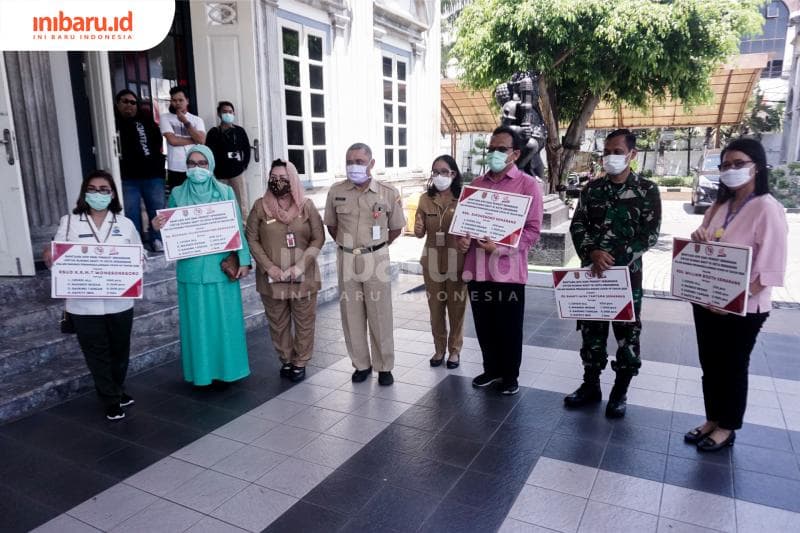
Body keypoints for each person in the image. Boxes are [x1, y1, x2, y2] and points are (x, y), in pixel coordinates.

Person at [683, 138, 787, 452]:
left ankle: (727, 427)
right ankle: (712, 418)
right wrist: (698, 237)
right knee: (710, 364)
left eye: (738, 163)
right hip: (707, 302)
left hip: (744, 310)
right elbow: (705, 246)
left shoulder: (768, 209)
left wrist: (732, 303)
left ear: (757, 167)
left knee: (732, 366)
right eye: (725, 165)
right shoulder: (720, 205)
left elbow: (769, 270)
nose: (730, 170)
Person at [565, 128, 662, 418]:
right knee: (592, 334)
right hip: (593, 277)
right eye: (607, 152)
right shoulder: (591, 190)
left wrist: (614, 259)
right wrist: (592, 253)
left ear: (632, 155)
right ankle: (590, 386)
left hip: (626, 279)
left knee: (627, 336)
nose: (610, 157)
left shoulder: (647, 190)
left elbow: (650, 235)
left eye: (617, 152)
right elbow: (577, 225)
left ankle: (620, 393)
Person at [43, 171, 141, 420]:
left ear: (112, 194)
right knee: (96, 352)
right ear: (85, 192)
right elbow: (57, 260)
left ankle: (117, 388)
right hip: (83, 304)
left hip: (119, 301)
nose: (98, 194)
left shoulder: (125, 224)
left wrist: (135, 263)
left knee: (120, 351)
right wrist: (49, 257)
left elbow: (140, 256)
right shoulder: (69, 222)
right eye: (93, 189)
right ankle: (110, 398)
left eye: (104, 189)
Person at [152, 145, 252, 386]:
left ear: (211, 165)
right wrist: (159, 226)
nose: (197, 168)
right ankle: (202, 374)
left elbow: (237, 226)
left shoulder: (225, 191)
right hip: (191, 271)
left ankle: (230, 371)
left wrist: (245, 260)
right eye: (192, 163)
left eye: (202, 163)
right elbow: (172, 229)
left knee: (225, 323)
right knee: (197, 325)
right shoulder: (177, 192)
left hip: (221, 268)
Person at [456, 126, 544, 395]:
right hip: (478, 270)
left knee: (508, 327)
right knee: (484, 324)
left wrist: (501, 249)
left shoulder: (528, 186)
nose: (494, 153)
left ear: (515, 154)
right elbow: (465, 226)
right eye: (491, 148)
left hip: (508, 271)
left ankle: (510, 375)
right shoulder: (475, 186)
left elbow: (532, 231)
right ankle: (491, 369)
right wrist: (462, 240)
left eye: (501, 149)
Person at [324, 142, 406, 386]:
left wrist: (376, 248)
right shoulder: (336, 191)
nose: (353, 166)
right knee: (351, 314)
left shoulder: (388, 193)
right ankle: (361, 365)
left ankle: (384, 366)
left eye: (359, 162)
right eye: (350, 161)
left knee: (380, 313)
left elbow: (396, 228)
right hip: (347, 257)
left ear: (371, 164)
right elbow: (331, 225)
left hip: (375, 257)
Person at [246, 159, 324, 382]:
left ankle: (301, 361)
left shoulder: (306, 206)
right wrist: (268, 267)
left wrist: (300, 266)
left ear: (293, 180)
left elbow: (318, 237)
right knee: (278, 323)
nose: (277, 182)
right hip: (273, 278)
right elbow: (251, 238)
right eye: (273, 178)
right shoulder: (260, 206)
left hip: (303, 276)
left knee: (304, 322)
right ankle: (287, 359)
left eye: (283, 178)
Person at [414, 155, 466, 369]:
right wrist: (418, 227)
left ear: (453, 174)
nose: (438, 176)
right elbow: (419, 231)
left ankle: (454, 351)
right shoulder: (425, 199)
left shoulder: (464, 198)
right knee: (435, 309)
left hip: (457, 263)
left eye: (443, 171)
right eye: (435, 172)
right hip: (432, 263)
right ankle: (439, 349)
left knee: (456, 309)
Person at [114, 89, 166, 252]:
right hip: (127, 177)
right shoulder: (112, 123)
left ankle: (157, 239)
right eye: (125, 101)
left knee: (157, 210)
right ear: (117, 103)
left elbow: (157, 143)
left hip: (152, 175)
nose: (129, 105)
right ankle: (136, 244)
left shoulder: (147, 122)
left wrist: (157, 167)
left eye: (133, 102)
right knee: (131, 212)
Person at [205, 101, 251, 217]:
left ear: (234, 113)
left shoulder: (239, 131)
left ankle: (244, 226)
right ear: (219, 114)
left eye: (230, 112)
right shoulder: (213, 132)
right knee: (222, 203)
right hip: (220, 175)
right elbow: (209, 153)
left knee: (242, 203)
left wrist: (244, 165)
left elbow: (246, 149)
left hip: (236, 173)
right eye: (224, 112)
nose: (228, 114)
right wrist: (212, 170)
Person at [159, 86, 206, 191]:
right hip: (175, 167)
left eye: (181, 100)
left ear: (187, 101)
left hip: (195, 167)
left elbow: (202, 141)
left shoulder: (197, 120)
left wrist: (185, 121)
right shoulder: (165, 117)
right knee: (178, 200)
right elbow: (173, 141)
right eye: (174, 100)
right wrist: (194, 139)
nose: (177, 103)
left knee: (196, 198)